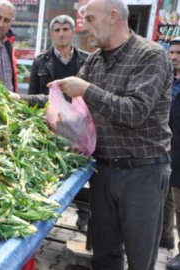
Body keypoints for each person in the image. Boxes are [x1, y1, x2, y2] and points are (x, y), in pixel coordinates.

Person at [52, 0, 172, 269]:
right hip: (103, 171)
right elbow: (66, 96)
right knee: (105, 257)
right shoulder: (95, 61)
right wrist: (17, 99)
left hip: (143, 173)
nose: (83, 27)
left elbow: (135, 111)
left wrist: (86, 90)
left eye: (90, 19)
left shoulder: (150, 55)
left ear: (113, 17)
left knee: (141, 260)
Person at [11, 15, 90, 231]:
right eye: (57, 30)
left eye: (66, 29)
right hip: (52, 125)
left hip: (80, 126)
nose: (62, 33)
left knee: (81, 170)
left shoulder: (86, 60)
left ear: (73, 33)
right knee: (56, 168)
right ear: (51, 34)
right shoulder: (41, 61)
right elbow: (35, 94)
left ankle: (83, 213)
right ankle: (49, 209)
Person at [160, 37, 180, 270]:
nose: (174, 57)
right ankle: (165, 238)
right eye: (172, 53)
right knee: (165, 197)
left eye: (178, 53)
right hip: (165, 148)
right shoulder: (166, 80)